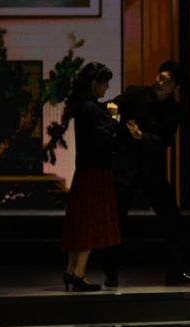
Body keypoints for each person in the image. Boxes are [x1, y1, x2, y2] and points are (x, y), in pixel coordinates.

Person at [102, 60, 190, 287]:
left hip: (152, 170)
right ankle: (111, 274)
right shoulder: (135, 93)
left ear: (175, 87)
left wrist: (142, 136)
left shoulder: (174, 110)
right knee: (116, 222)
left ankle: (175, 273)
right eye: (160, 77)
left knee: (172, 217)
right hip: (126, 169)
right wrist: (112, 114)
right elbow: (112, 105)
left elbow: (165, 140)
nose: (160, 82)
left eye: (167, 81)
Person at [60, 62, 121, 292]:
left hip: (85, 172)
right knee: (89, 223)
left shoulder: (82, 107)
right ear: (94, 83)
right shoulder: (91, 109)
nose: (106, 88)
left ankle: (71, 270)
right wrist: (114, 119)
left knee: (79, 223)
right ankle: (79, 273)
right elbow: (103, 138)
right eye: (104, 83)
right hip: (96, 173)